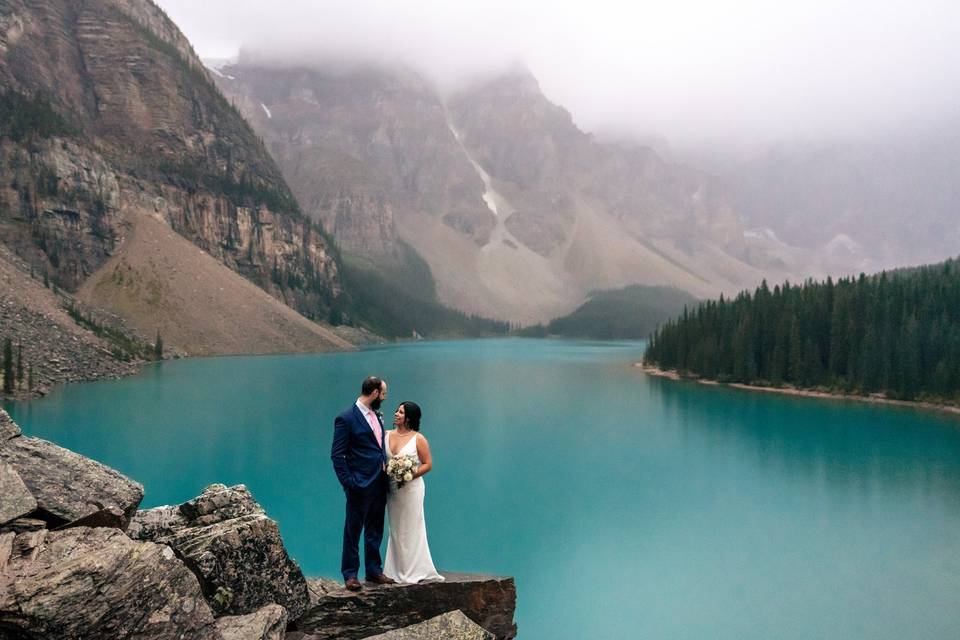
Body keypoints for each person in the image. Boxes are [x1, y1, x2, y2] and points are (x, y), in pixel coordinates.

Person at [331, 376, 396, 590]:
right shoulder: (346, 418)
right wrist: (349, 482)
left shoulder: (377, 415)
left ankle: (373, 571)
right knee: (353, 530)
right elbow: (337, 455)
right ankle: (350, 574)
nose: (384, 399)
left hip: (379, 481)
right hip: (359, 484)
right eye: (383, 394)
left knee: (375, 528)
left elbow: (377, 446)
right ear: (375, 393)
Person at [383, 401, 444, 584]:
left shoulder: (418, 438)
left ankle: (415, 569)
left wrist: (409, 475)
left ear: (409, 417)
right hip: (392, 489)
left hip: (411, 489)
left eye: (400, 412)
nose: (396, 414)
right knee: (395, 528)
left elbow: (428, 464)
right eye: (396, 410)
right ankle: (395, 569)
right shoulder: (386, 435)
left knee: (411, 526)